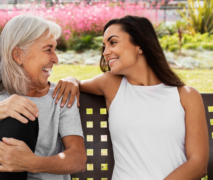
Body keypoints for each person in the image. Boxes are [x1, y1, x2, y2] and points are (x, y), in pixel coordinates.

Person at [53, 15, 209, 180]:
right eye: (104, 46)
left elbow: (198, 164)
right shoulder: (111, 84)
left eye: (113, 42)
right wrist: (71, 80)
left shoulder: (187, 96)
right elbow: (75, 82)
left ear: (140, 45)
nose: (105, 52)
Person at [0, 15, 86, 180]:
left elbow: (78, 160)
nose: (55, 58)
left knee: (19, 114)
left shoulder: (60, 96)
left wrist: (31, 163)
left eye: (55, 50)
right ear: (18, 55)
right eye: (48, 49)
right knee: (14, 116)